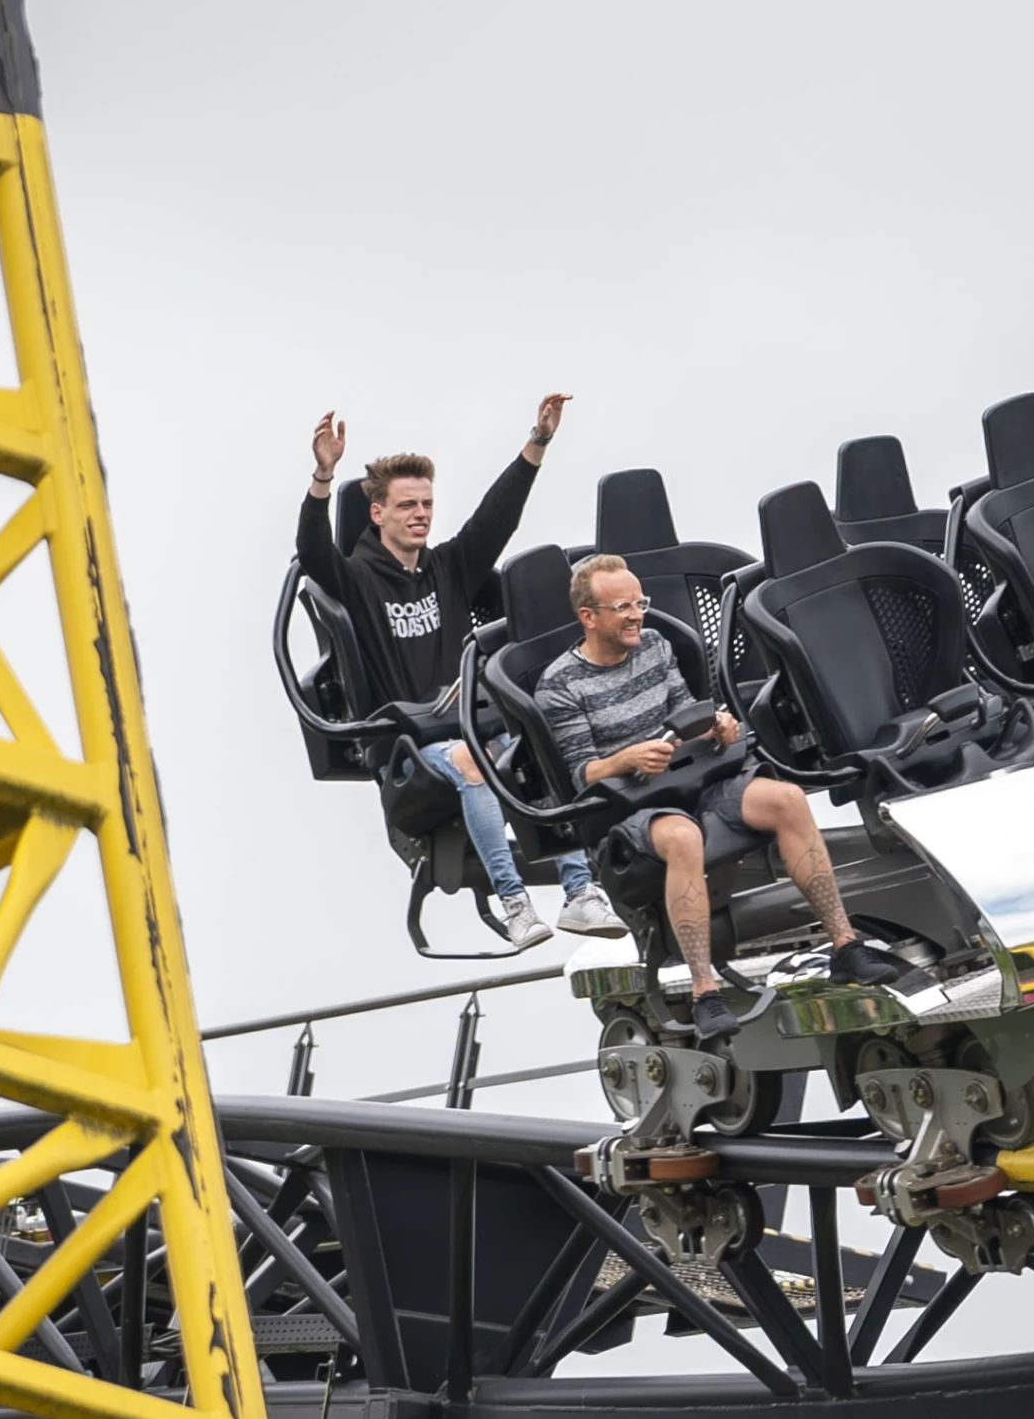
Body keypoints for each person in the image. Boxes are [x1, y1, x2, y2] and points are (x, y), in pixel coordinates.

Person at [300, 395, 620, 946]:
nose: (420, 513)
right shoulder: (357, 579)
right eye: (406, 505)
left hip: (474, 723)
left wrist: (537, 442)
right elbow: (312, 552)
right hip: (409, 745)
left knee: (539, 748)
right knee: (473, 760)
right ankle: (515, 903)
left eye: (426, 503)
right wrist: (324, 477)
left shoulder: (447, 567)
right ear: (378, 513)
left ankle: (580, 893)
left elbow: (496, 518)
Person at [538, 555, 903, 1034]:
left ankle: (845, 946)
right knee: (684, 838)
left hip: (694, 778)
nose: (636, 615)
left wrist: (717, 724)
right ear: (589, 617)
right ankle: (704, 991)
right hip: (629, 809)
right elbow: (582, 773)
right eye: (623, 606)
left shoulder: (653, 645)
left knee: (787, 799)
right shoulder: (560, 684)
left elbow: (686, 714)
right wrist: (626, 759)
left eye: (639, 603)